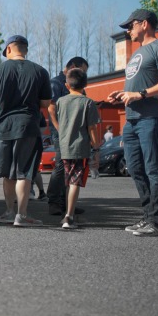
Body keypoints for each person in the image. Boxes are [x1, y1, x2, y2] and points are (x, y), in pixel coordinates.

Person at [106, 9, 158, 237]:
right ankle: (148, 216)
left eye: (131, 25)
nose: (128, 30)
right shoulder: (138, 53)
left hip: (151, 119)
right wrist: (124, 92)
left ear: (145, 24)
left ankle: (156, 222)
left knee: (153, 169)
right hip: (132, 121)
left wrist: (141, 93)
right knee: (135, 169)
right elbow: (138, 85)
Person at [0, 35, 51, 227]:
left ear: (9, 49)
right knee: (24, 172)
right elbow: (45, 103)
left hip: (3, 128)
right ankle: (22, 215)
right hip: (28, 126)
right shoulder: (40, 71)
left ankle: (9, 212)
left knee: (8, 173)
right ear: (25, 49)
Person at [55, 69, 100, 229]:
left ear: (67, 85)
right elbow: (92, 128)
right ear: (86, 84)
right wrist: (96, 147)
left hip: (65, 146)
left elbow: (54, 113)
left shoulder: (61, 101)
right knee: (75, 182)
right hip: (80, 147)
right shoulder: (88, 102)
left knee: (69, 181)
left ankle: (68, 213)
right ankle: (69, 217)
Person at [46, 57, 89, 216]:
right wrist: (60, 130)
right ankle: (54, 202)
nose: (84, 74)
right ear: (72, 66)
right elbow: (51, 108)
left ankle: (67, 203)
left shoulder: (78, 84)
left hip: (75, 134)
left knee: (72, 167)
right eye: (83, 70)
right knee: (60, 165)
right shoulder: (56, 83)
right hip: (61, 133)